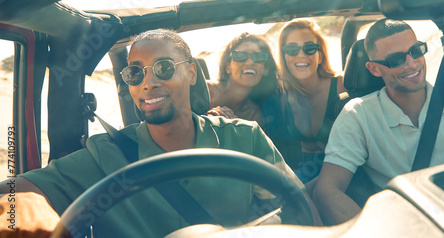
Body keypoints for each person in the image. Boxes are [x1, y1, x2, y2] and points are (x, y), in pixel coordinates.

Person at [0, 29, 313, 237]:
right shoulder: (104, 154)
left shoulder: (245, 138)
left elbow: (300, 211)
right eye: (135, 72)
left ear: (192, 73)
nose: (148, 83)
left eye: (164, 68)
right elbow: (14, 189)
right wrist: (26, 210)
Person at [314, 18, 444, 225]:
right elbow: (327, 191)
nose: (412, 63)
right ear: (374, 69)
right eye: (395, 60)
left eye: (416, 51)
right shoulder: (359, 116)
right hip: (411, 228)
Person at [263, 19, 347, 184]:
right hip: (306, 173)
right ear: (284, 56)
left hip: (345, 169)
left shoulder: (342, 86)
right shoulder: (281, 98)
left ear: (320, 55)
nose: (301, 55)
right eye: (292, 49)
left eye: (309, 48)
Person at [206, 32, 279, 128]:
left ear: (264, 69)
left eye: (258, 57)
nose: (250, 62)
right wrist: (208, 118)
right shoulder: (204, 90)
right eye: (240, 56)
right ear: (228, 66)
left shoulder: (254, 116)